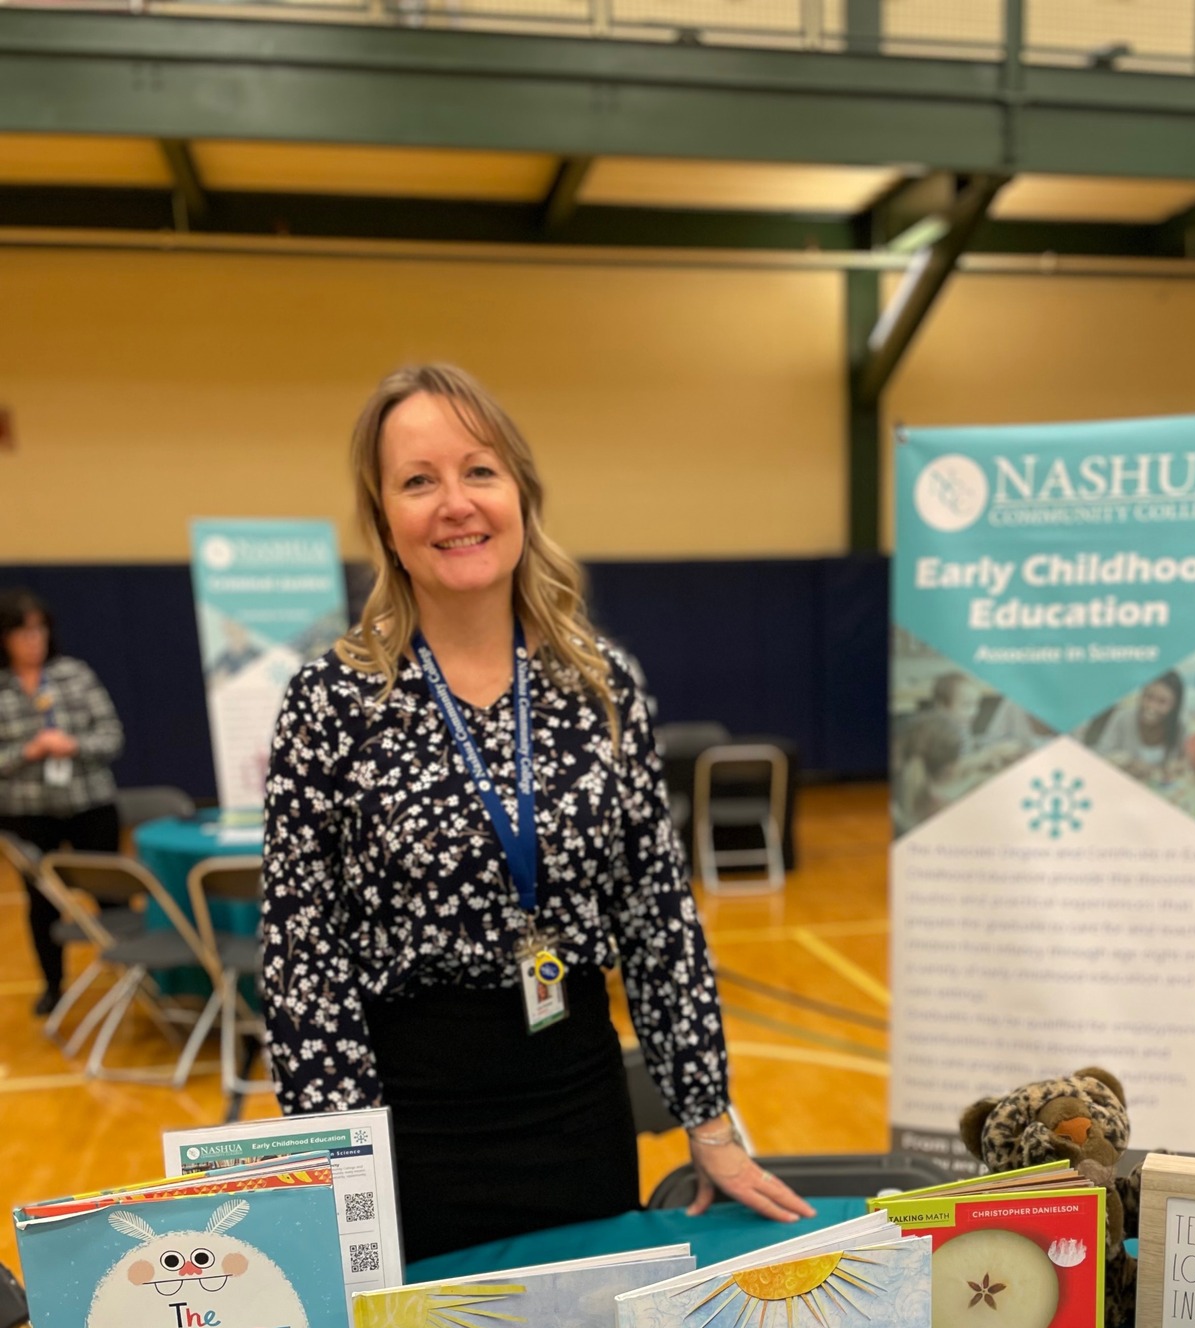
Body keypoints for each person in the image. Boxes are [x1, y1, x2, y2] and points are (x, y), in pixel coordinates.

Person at [260, 364, 812, 1262]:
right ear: (386, 525)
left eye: (480, 471)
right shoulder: (332, 704)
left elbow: (657, 916)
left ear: (521, 495)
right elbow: (301, 958)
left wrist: (708, 1118)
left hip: (576, 1110)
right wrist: (343, 1181)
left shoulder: (599, 683)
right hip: (414, 1133)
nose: (455, 504)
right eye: (418, 480)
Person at [0, 586, 124, 1015]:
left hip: (89, 802)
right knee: (41, 903)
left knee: (111, 893)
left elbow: (112, 737)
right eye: (23, 632)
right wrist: (25, 752)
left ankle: (131, 979)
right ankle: (53, 985)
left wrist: (73, 744)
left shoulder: (76, 674)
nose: (34, 640)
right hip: (28, 811)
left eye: (40, 630)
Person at [1094, 672, 1185, 779]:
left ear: (1174, 706)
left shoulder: (1179, 728)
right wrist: (1128, 763)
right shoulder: (1123, 717)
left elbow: (1181, 762)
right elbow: (1100, 755)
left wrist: (1176, 767)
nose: (1151, 706)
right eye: (1148, 697)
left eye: (1162, 702)